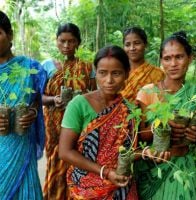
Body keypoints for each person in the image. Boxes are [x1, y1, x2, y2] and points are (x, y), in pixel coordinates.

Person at [59, 45, 139, 199]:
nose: (109, 80)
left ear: (127, 74)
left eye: (116, 73)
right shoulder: (78, 105)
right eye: (103, 73)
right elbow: (65, 152)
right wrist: (105, 172)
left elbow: (128, 151)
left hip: (121, 186)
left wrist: (147, 152)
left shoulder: (128, 110)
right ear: (95, 72)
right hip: (85, 187)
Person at [135, 31, 196, 200]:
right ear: (161, 61)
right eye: (167, 58)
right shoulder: (148, 92)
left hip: (183, 168)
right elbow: (139, 136)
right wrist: (161, 123)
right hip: (152, 169)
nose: (173, 64)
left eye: (179, 57)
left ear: (190, 58)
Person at [42, 23, 96, 199]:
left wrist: (81, 98)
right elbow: (39, 96)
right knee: (57, 162)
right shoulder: (48, 66)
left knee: (77, 161)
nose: (66, 46)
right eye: (62, 41)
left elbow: (95, 94)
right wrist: (53, 99)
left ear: (78, 43)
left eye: (71, 41)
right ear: (56, 42)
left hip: (79, 125)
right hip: (54, 126)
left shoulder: (87, 68)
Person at [0, 11, 46, 199]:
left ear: (9, 35)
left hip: (22, 144)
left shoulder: (30, 67)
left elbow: (37, 98)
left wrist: (33, 111)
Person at [121, 26, 165, 102]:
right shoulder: (118, 73)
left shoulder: (158, 74)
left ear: (145, 45)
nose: (132, 48)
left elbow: (162, 102)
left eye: (137, 43)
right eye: (127, 45)